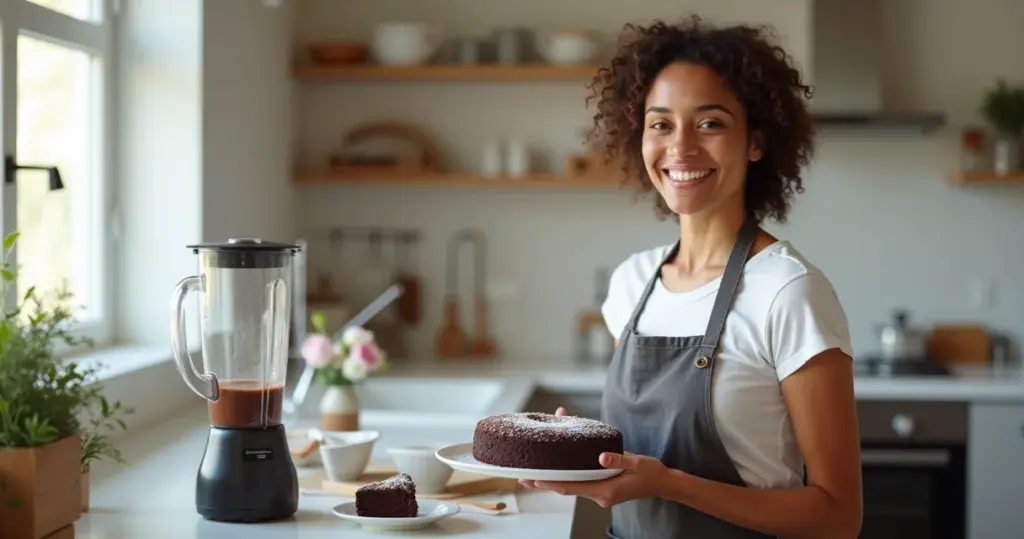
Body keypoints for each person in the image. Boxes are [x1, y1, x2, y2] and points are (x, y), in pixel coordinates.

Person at [519, 15, 863, 539]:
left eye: (710, 123)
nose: (680, 149)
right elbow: (643, 456)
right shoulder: (633, 283)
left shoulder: (788, 292)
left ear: (755, 141)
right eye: (661, 124)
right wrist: (580, 452)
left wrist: (669, 484)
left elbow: (838, 517)